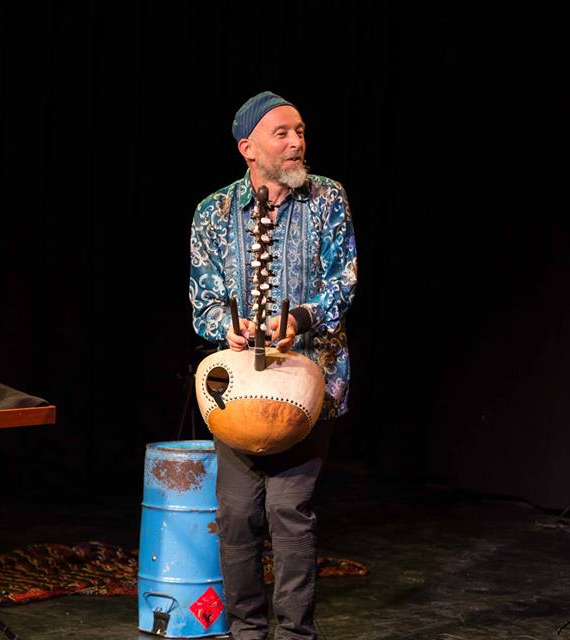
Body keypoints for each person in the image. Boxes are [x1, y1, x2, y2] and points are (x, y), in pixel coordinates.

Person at [189, 91, 357, 639]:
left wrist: (301, 318)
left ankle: (295, 634)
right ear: (248, 147)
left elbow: (344, 280)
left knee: (288, 510)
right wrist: (229, 326)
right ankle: (246, 631)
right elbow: (203, 302)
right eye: (282, 133)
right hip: (240, 389)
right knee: (237, 514)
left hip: (307, 385)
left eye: (300, 131)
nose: (296, 142)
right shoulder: (214, 212)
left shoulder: (327, 198)